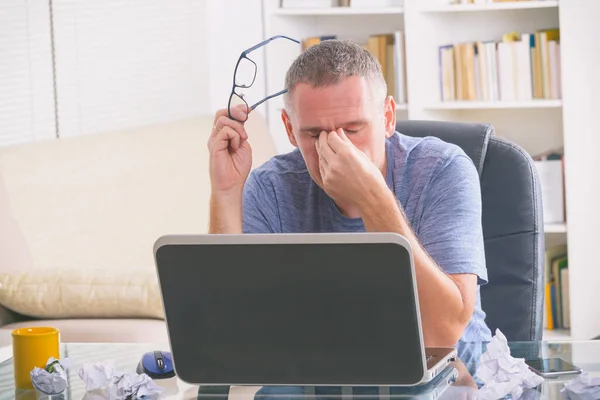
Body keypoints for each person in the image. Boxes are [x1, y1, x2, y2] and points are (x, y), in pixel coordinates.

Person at [208, 39, 492, 346]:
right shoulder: (270, 188)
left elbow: (444, 333)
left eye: (353, 130)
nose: (336, 148)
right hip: (324, 379)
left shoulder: (442, 169)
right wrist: (226, 192)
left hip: (458, 379)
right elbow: (227, 330)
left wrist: (372, 196)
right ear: (290, 130)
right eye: (314, 134)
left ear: (387, 118)